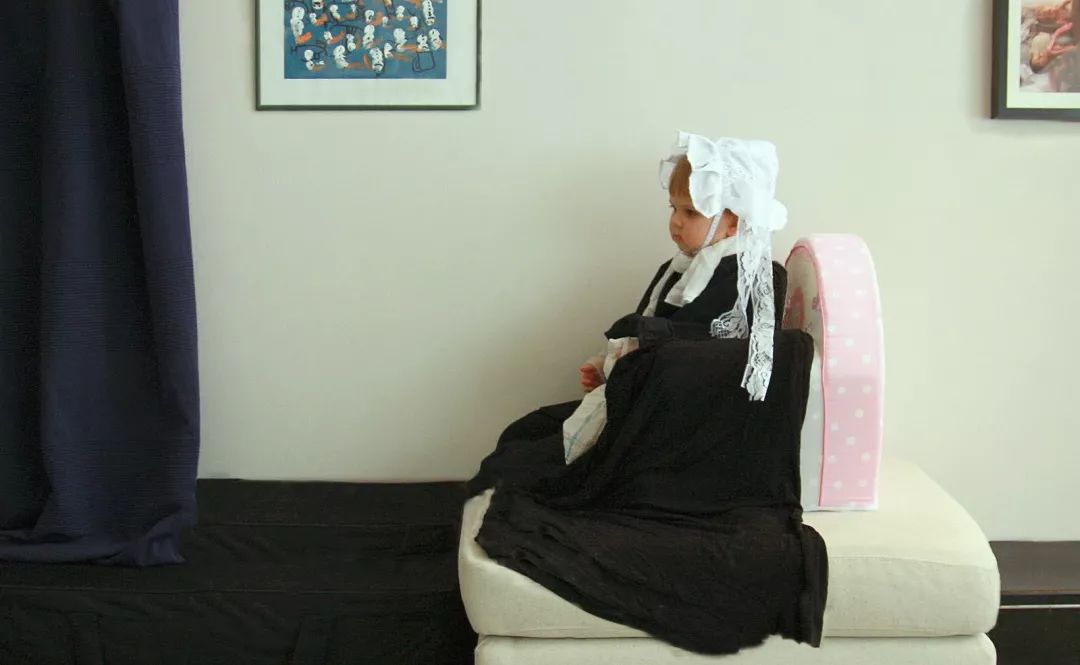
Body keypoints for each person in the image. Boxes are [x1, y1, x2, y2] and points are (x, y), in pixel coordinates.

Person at [468, 132, 790, 495]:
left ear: (736, 220)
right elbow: (642, 329)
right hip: (640, 396)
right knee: (524, 431)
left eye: (691, 212)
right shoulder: (677, 270)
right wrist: (608, 362)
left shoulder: (757, 280)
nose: (676, 222)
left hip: (680, 423)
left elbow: (725, 357)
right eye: (673, 208)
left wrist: (636, 353)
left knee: (520, 466)